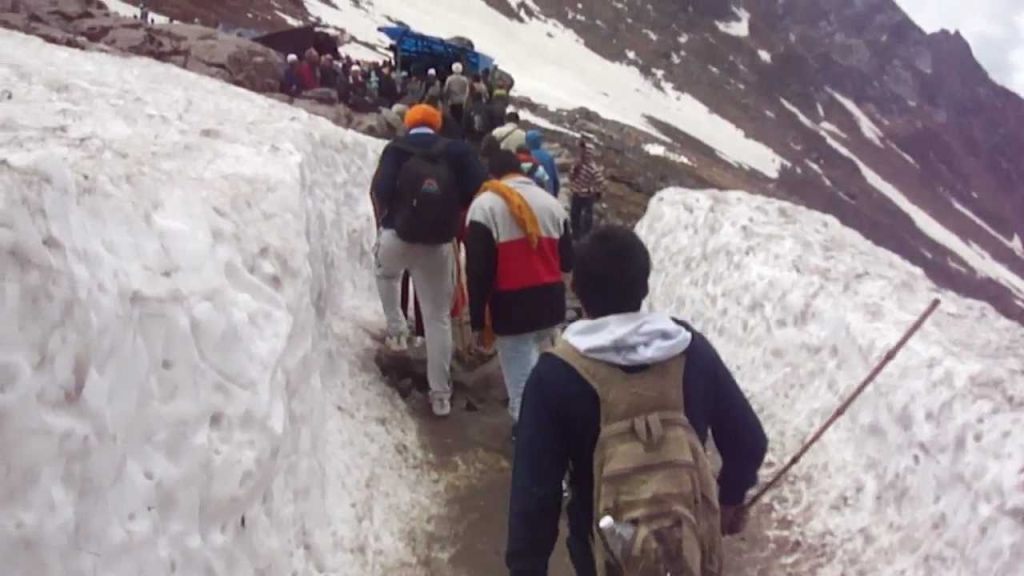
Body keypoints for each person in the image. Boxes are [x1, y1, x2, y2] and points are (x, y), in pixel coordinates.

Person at [506, 226, 768, 576]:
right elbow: (749, 441)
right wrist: (729, 499)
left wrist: (527, 567)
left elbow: (534, 497)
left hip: (607, 553)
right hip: (687, 548)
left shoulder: (555, 375)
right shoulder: (689, 349)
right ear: (645, 287)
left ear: (576, 290)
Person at [371, 105, 488, 417]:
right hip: (438, 245)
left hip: (398, 235)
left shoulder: (396, 149)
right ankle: (440, 397)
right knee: (437, 319)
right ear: (436, 126)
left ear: (409, 124)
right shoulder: (457, 151)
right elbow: (479, 187)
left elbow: (380, 189)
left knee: (386, 276)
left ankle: (397, 331)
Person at [465, 151, 572, 424]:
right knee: (548, 376)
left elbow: (478, 271)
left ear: (493, 175)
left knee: (521, 389)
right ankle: (556, 430)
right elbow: (568, 263)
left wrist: (478, 321)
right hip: (551, 306)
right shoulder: (553, 204)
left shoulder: (484, 206)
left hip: (512, 310)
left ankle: (531, 442)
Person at [568, 138, 606, 239]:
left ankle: (585, 236)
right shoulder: (577, 164)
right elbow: (571, 176)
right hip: (576, 193)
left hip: (587, 196)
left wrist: (590, 190)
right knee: (574, 214)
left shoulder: (593, 168)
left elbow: (601, 183)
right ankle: (575, 234)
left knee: (587, 218)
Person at [525, 130, 560, 197]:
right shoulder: (548, 157)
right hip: (548, 194)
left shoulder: (526, 157)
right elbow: (556, 180)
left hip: (531, 195)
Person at [444, 62, 471, 128]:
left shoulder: (449, 79)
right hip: (462, 102)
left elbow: (445, 90)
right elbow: (468, 91)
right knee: (460, 119)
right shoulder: (464, 79)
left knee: (453, 118)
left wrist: (446, 99)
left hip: (452, 102)